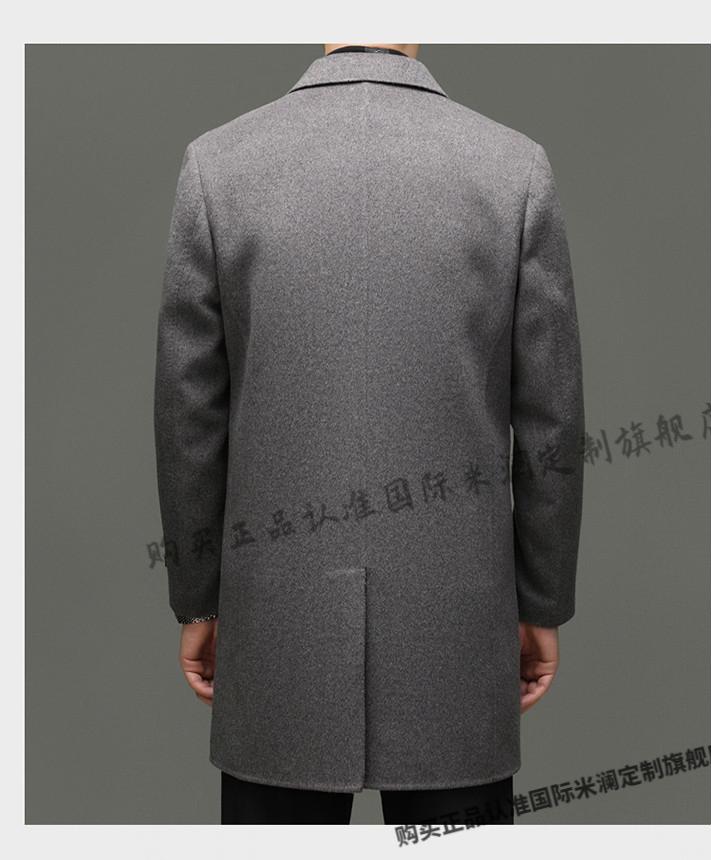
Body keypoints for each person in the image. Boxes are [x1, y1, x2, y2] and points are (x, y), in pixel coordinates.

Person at [153, 42, 585, 825]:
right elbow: (549, 417)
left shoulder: (219, 168)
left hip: (277, 627)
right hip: (457, 631)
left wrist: (197, 598)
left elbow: (190, 417)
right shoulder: (512, 170)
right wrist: (542, 600)